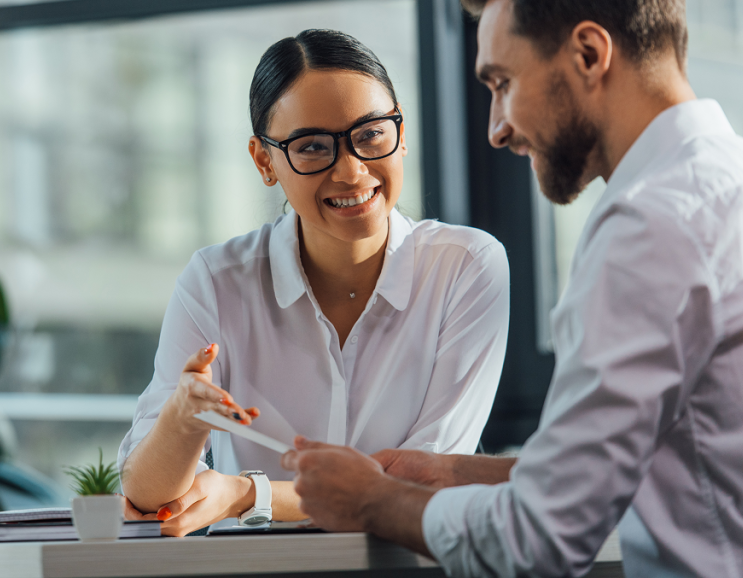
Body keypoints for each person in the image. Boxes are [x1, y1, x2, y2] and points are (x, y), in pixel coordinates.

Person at [282, 0, 743, 577]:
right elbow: (689, 459)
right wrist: (456, 472)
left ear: (589, 54)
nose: (497, 128)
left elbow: (539, 539)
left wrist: (371, 500)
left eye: (503, 83)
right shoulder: (738, 178)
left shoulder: (649, 228)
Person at [117, 29, 511, 537]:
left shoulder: (467, 267)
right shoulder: (215, 281)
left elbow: (426, 478)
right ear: (265, 161)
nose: (351, 171)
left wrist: (249, 494)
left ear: (401, 129)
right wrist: (182, 420)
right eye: (312, 147)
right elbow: (146, 496)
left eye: (371, 134)